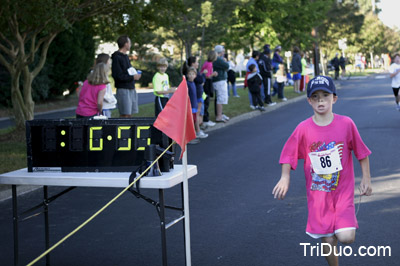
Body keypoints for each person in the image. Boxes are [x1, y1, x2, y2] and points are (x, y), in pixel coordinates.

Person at [272, 75, 372, 266]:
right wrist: (285, 177)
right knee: (327, 240)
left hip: (342, 193)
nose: (320, 101)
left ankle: (339, 226)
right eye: (315, 97)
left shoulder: (346, 124)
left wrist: (366, 179)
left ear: (334, 98)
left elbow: (362, 152)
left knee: (346, 237)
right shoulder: (303, 128)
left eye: (325, 96)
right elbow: (288, 154)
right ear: (309, 101)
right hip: (318, 196)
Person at [111, 35, 142, 118]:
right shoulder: (117, 57)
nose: (130, 44)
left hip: (131, 88)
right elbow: (117, 76)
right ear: (125, 44)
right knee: (125, 114)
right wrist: (132, 77)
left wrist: (135, 75)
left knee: (130, 114)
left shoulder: (126, 57)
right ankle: (123, 130)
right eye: (129, 42)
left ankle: (130, 131)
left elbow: (127, 72)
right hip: (123, 89)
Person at [182, 56, 208, 138]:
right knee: (194, 117)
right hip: (193, 101)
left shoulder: (194, 79)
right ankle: (196, 132)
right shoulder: (189, 81)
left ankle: (197, 131)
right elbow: (200, 80)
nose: (192, 76)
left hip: (198, 99)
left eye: (193, 74)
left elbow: (202, 81)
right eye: (196, 62)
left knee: (198, 116)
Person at [95, 53, 117, 118]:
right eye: (109, 60)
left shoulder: (104, 74)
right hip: (104, 106)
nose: (110, 62)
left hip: (106, 106)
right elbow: (102, 91)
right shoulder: (100, 75)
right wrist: (112, 99)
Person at [200, 50, 218, 128]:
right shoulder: (209, 64)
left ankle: (205, 118)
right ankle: (205, 119)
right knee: (206, 101)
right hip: (206, 83)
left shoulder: (207, 63)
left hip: (206, 83)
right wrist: (213, 74)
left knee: (206, 101)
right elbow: (207, 75)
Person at [212, 45, 230, 122]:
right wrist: (225, 61)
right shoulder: (218, 59)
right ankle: (219, 116)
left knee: (220, 98)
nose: (224, 52)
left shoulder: (218, 59)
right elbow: (227, 65)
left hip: (220, 80)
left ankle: (220, 114)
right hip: (219, 81)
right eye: (223, 50)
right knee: (220, 98)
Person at [186, 67, 201, 145]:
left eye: (193, 74)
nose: (191, 76)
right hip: (189, 107)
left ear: (195, 75)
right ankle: (188, 138)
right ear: (187, 75)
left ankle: (192, 136)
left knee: (194, 121)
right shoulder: (187, 84)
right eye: (190, 74)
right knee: (190, 122)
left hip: (194, 106)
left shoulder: (193, 83)